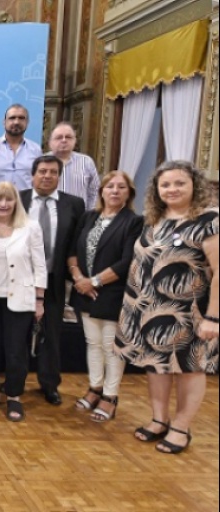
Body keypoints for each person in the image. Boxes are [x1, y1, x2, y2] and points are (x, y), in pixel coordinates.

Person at [117, 160, 218, 454]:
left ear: (195, 185)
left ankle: (181, 427)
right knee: (157, 366)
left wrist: (214, 317)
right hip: (150, 309)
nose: (172, 189)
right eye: (165, 184)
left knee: (190, 368)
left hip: (190, 313)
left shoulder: (210, 220)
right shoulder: (155, 219)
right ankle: (159, 419)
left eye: (179, 183)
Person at [68, 171, 143, 422]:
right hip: (84, 291)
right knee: (93, 343)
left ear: (129, 193)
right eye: (110, 186)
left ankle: (110, 397)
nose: (115, 191)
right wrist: (79, 278)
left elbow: (127, 260)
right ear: (101, 190)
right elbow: (72, 251)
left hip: (112, 293)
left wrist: (94, 281)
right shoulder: (89, 217)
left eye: (121, 187)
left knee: (112, 348)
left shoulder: (134, 222)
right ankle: (95, 388)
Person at [0, 182, 47, 422]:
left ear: (16, 202)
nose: (3, 204)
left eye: (8, 199)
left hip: (20, 299)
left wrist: (39, 300)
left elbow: (40, 266)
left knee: (15, 351)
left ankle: (14, 396)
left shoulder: (30, 227)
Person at [20, 155, 86, 405]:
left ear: (59, 176)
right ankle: (15, 380)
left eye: (53, 172)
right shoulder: (19, 199)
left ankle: (49, 384)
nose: (47, 176)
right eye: (42, 171)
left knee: (52, 334)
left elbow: (76, 243)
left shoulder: (74, 204)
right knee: (19, 333)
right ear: (33, 175)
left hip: (54, 279)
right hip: (21, 279)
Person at [0, 104, 43, 190]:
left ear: (27, 122)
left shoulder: (36, 150)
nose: (16, 122)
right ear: (4, 122)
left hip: (26, 198)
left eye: (21, 118)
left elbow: (39, 180)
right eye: (12, 118)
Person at [48, 122, 100, 210]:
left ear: (75, 140)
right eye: (59, 137)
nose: (64, 140)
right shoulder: (41, 162)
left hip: (79, 215)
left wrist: (90, 214)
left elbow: (95, 192)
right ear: (50, 142)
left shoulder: (86, 162)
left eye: (68, 137)